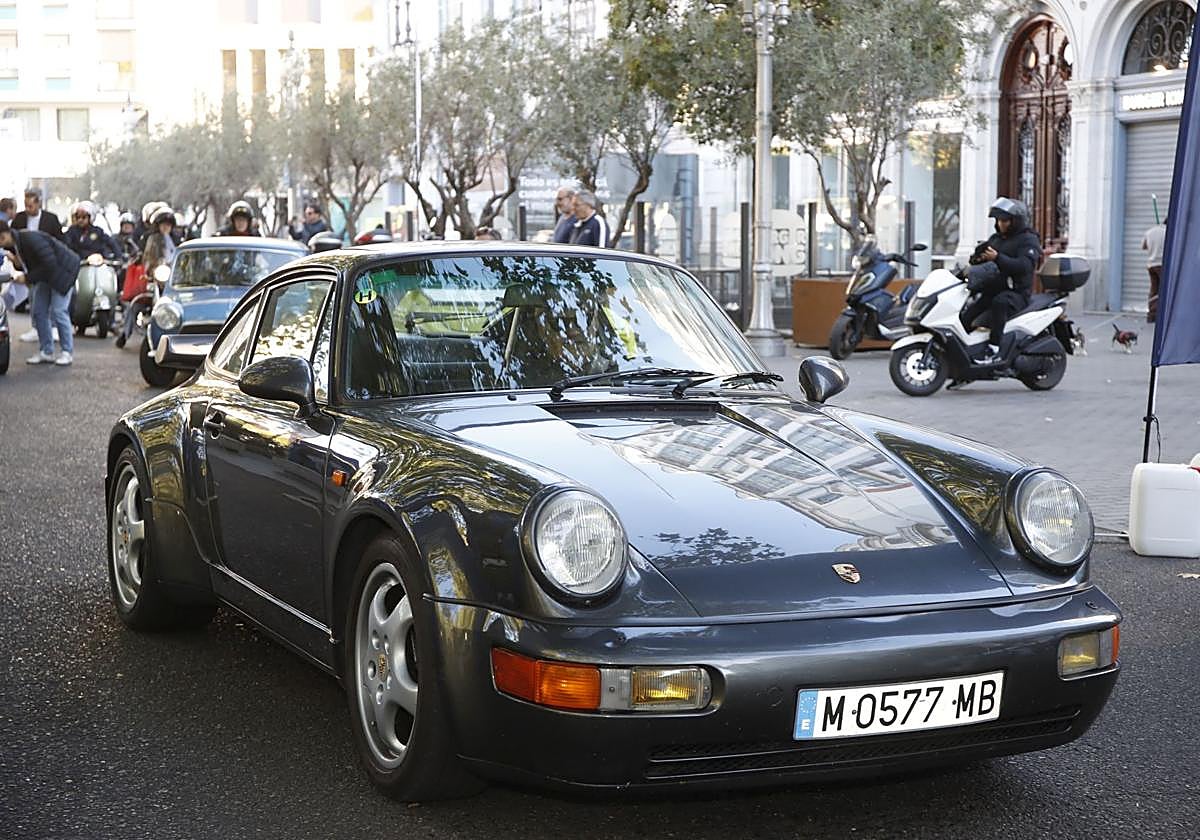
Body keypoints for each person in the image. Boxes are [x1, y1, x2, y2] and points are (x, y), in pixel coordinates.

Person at [959, 197, 1042, 363]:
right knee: (967, 314)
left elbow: (1024, 266)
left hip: (1016, 294)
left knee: (1000, 303)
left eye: (1005, 220)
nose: (1001, 224)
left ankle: (994, 349)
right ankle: (962, 353)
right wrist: (978, 258)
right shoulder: (996, 239)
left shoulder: (1028, 240)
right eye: (998, 220)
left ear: (1016, 221)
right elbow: (982, 261)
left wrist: (997, 258)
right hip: (992, 290)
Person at [0, 220, 79, 365]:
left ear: (3, 236)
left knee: (59, 311)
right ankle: (46, 351)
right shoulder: (18, 243)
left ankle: (67, 352)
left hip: (63, 272)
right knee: (39, 311)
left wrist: (27, 278)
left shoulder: (30, 239)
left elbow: (50, 264)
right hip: (45, 275)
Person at [1142, 216, 1167, 323]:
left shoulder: (1149, 232)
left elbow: (1144, 246)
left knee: (1154, 289)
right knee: (1164, 289)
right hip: (1161, 264)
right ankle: (1163, 313)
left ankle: (1152, 314)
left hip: (1151, 264)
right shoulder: (1167, 232)